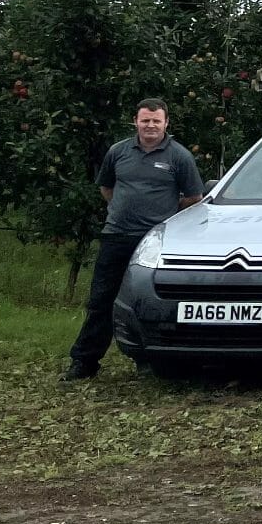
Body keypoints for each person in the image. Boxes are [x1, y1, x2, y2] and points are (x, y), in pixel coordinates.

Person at [64, 98, 205, 381]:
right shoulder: (118, 152)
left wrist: (162, 219)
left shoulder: (179, 157)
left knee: (148, 300)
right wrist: (123, 211)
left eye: (156, 121)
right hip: (116, 236)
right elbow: (107, 188)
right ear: (135, 122)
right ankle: (84, 362)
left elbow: (193, 198)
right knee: (101, 301)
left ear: (166, 123)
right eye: (145, 120)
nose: (150, 125)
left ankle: (149, 358)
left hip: (154, 243)